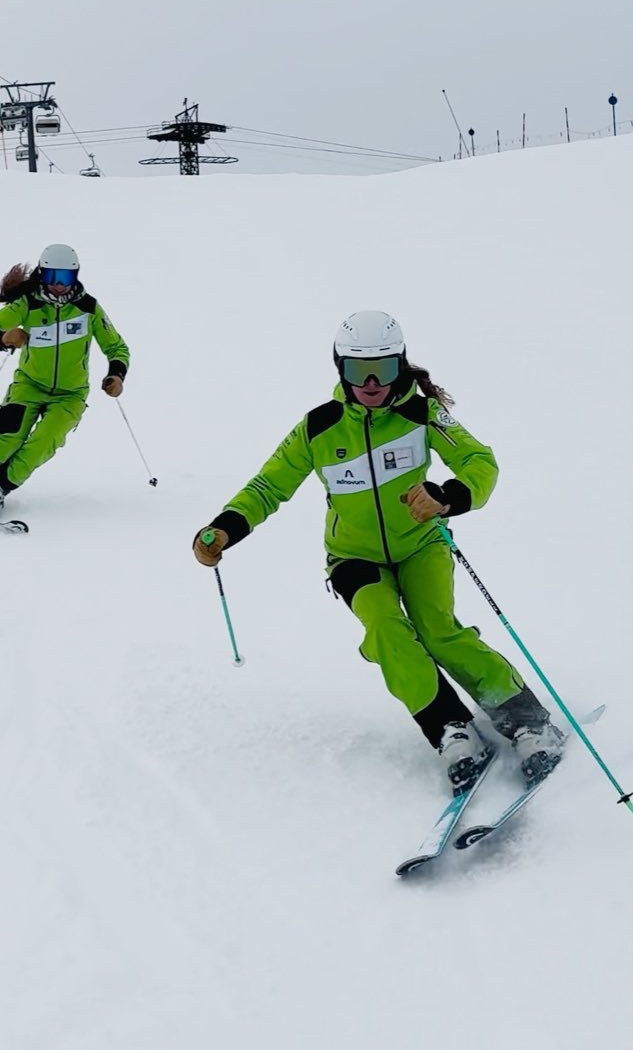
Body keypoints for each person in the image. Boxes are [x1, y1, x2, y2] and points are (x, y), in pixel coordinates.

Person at [192, 309, 557, 790]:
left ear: (399, 365)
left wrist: (446, 496)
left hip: (421, 546)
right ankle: (450, 728)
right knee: (387, 631)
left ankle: (527, 721)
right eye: (357, 370)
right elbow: (269, 486)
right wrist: (224, 528)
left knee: (439, 632)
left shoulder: (423, 414)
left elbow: (478, 460)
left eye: (382, 370)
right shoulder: (319, 428)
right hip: (353, 559)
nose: (370, 383)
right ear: (339, 368)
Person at [0, 243, 129, 517]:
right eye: (53, 276)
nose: (59, 285)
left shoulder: (88, 308)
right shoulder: (28, 304)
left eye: (66, 277)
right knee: (6, 439)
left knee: (44, 443)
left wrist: (116, 375)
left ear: (76, 275)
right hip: (28, 387)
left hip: (70, 395)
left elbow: (117, 347)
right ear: (42, 274)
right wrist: (3, 338)